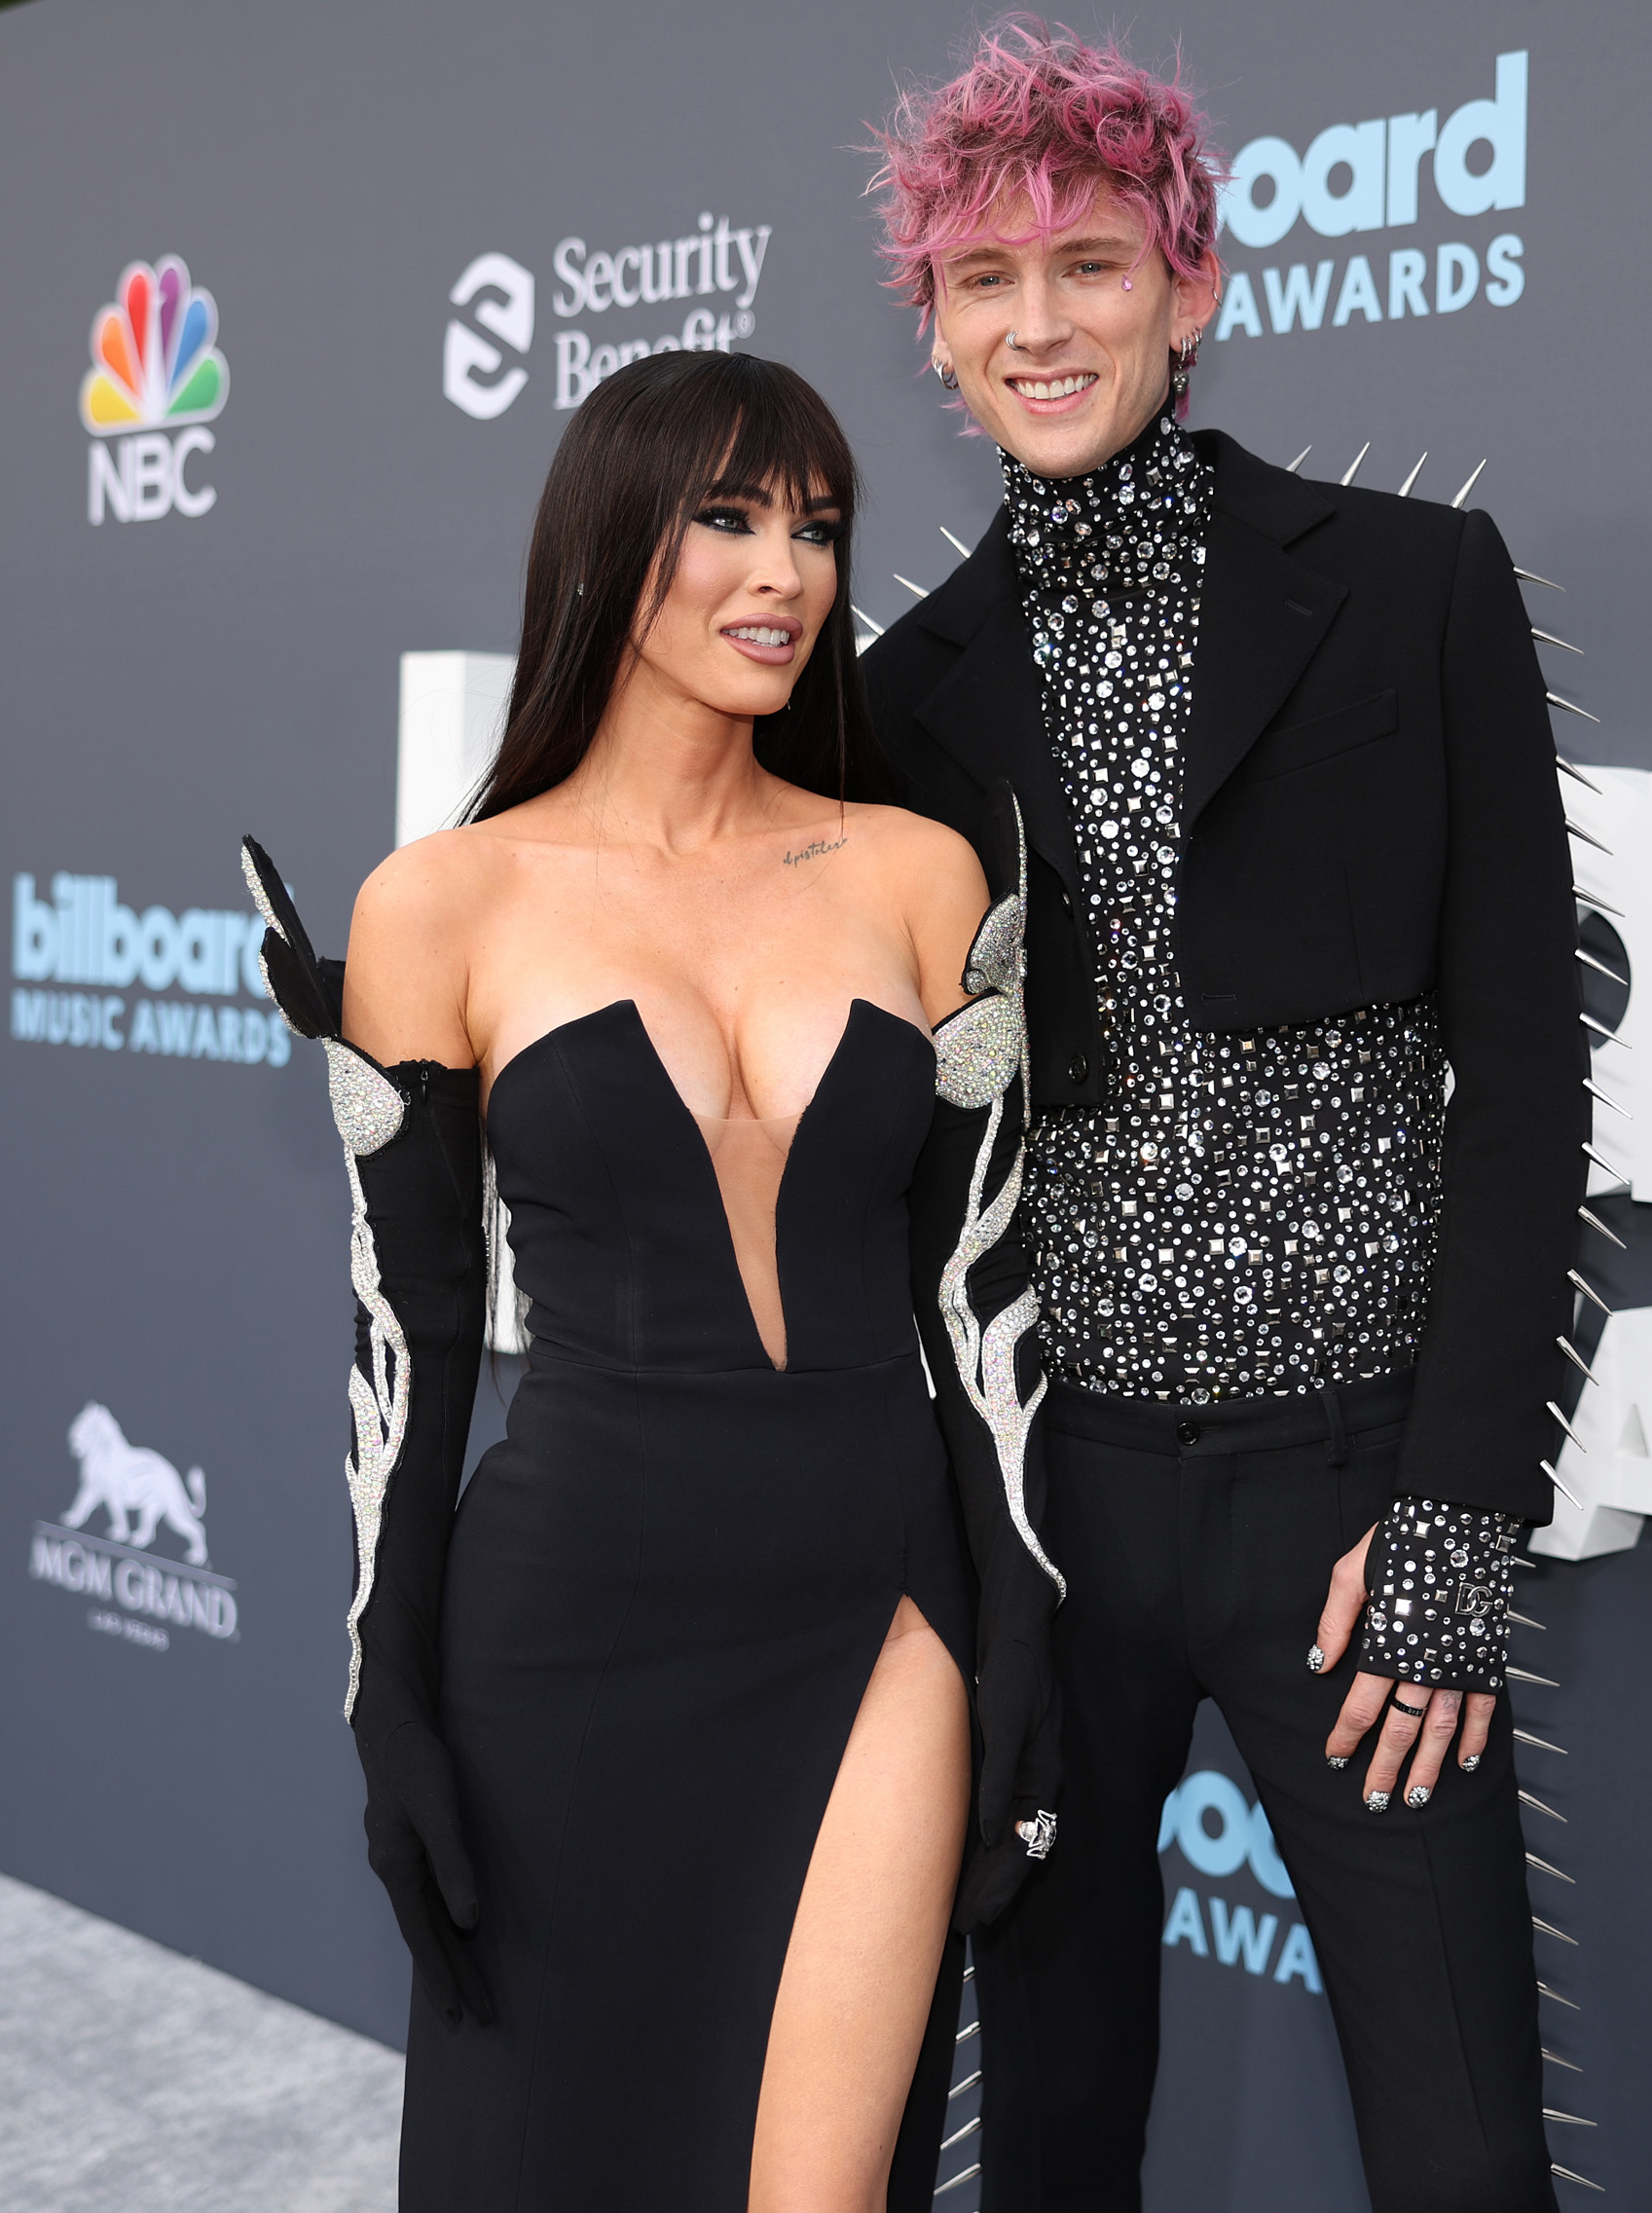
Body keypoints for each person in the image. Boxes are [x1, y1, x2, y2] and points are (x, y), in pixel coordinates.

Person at [863, 21, 1591, 2211]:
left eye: (1088, 265)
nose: (1040, 323)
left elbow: (1531, 1073)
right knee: (1054, 2133)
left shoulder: (1413, 586)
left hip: (1353, 1499)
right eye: (984, 287)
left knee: (1464, 2150)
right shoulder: (898, 705)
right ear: (937, 334)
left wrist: (1459, 1507)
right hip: (1054, 1508)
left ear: (1190, 288)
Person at [242, 350, 1064, 2212]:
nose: (783, 571)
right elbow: (412, 1331)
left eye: (819, 527)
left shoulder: (923, 876)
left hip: (880, 1607)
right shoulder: (443, 902)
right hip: (567, 1624)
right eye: (728, 517)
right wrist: (389, 1694)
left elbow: (976, 1297)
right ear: (613, 540)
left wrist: (1024, 1628)